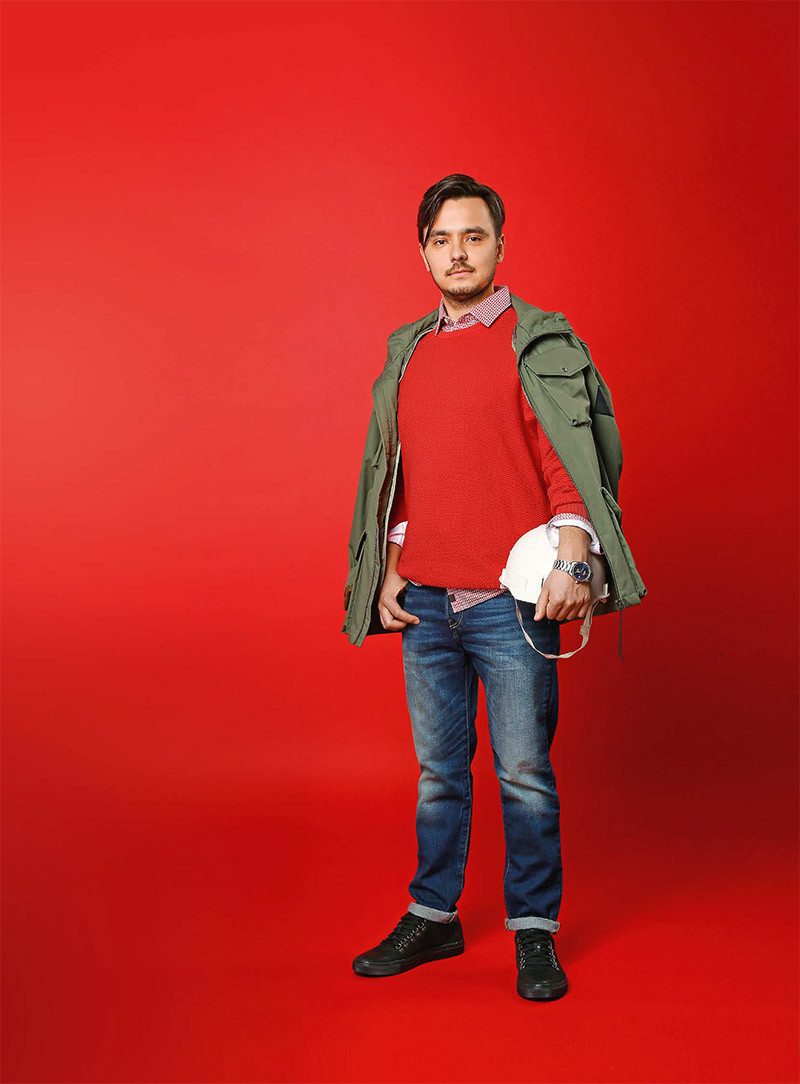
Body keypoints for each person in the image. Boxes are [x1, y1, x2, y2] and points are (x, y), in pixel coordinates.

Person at [343, 173, 646, 1001]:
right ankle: (434, 915)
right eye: (442, 239)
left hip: (511, 607)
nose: (458, 253)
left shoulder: (535, 341)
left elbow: (567, 458)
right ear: (423, 253)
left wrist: (576, 559)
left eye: (473, 237)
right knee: (438, 773)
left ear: (500, 246)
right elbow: (406, 472)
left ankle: (534, 929)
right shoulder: (409, 350)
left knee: (523, 773)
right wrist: (392, 564)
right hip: (427, 605)